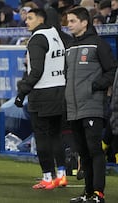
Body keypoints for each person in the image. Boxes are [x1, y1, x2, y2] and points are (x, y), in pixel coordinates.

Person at [65, 6, 116, 203]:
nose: (68, 25)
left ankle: (98, 193)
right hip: (73, 108)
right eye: (68, 21)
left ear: (84, 22)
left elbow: (112, 70)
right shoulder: (69, 47)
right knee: (83, 152)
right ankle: (87, 193)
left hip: (92, 106)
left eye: (72, 21)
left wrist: (95, 86)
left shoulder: (98, 44)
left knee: (95, 151)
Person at [14, 8, 68, 190]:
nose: (26, 21)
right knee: (56, 136)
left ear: (41, 19)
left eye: (30, 18)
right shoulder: (56, 35)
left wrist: (22, 92)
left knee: (42, 137)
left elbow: (36, 70)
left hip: (42, 93)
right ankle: (61, 175)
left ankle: (47, 177)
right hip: (59, 91)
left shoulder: (37, 39)